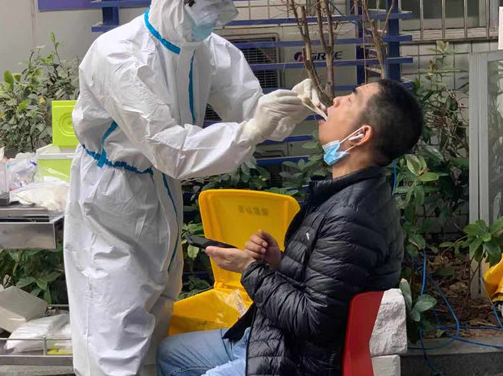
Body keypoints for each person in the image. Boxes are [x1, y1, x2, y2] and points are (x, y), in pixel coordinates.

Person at [64, 0, 321, 376]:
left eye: (222, 11)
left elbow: (252, 114)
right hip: (112, 200)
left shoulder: (207, 49)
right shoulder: (117, 57)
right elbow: (170, 149)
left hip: (160, 193)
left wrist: (290, 106)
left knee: (158, 311)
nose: (215, 20)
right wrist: (251, 129)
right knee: (114, 330)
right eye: (209, 9)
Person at [157, 79, 423, 376]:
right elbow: (326, 284)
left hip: (294, 361)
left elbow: (313, 320)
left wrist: (248, 269)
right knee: (169, 354)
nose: (335, 100)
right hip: (272, 338)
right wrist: (277, 261)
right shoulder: (346, 194)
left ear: (361, 135)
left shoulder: (353, 215)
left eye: (350, 99)